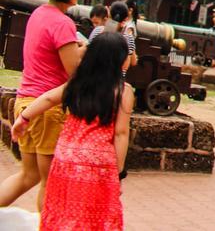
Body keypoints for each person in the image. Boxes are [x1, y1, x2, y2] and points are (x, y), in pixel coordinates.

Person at [12, 32, 135, 231]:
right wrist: (118, 173)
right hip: (98, 163)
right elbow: (121, 134)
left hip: (66, 159)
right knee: (94, 214)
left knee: (65, 209)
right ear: (119, 60)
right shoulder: (123, 91)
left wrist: (24, 118)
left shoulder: (78, 84)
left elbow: (48, 98)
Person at [0, 0, 85, 210]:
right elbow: (73, 71)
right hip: (47, 109)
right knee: (50, 182)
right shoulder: (63, 23)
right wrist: (89, 52)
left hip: (26, 102)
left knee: (29, 175)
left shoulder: (38, 14)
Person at [89, 2, 137, 72]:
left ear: (109, 13)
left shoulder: (98, 30)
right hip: (115, 81)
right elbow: (125, 66)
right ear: (126, 19)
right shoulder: (128, 38)